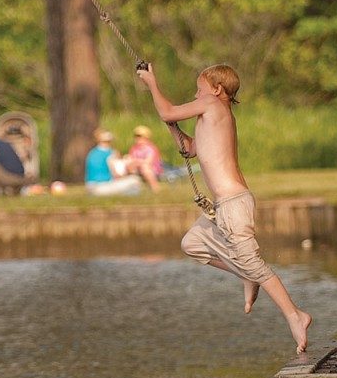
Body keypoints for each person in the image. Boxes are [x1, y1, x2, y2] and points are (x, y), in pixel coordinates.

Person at [137, 63, 311, 354]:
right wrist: (172, 126)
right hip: (224, 206)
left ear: (217, 90)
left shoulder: (212, 105)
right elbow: (188, 148)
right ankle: (245, 275)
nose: (196, 93)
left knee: (253, 263)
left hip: (233, 205)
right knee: (192, 244)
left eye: (199, 88)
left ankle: (296, 315)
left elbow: (167, 110)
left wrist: (153, 85)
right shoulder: (212, 114)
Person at [84, 129, 141, 196]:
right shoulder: (110, 153)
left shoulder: (92, 153)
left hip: (90, 187)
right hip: (101, 187)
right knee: (135, 180)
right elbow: (116, 174)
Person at [125, 125, 162, 192]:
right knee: (127, 163)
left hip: (152, 169)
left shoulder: (150, 148)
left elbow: (148, 162)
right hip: (138, 168)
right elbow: (131, 159)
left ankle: (155, 187)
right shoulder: (134, 148)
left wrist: (136, 162)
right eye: (136, 136)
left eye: (140, 137)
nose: (138, 139)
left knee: (145, 167)